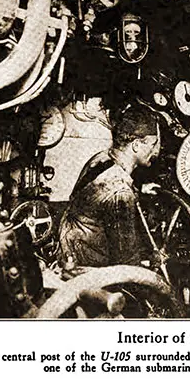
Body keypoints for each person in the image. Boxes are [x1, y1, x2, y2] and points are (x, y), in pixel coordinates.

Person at [58, 104, 161, 268]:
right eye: (153, 144)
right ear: (136, 145)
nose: (156, 150)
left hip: (68, 250)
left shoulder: (101, 159)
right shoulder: (120, 192)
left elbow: (96, 192)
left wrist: (138, 190)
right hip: (88, 268)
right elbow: (126, 261)